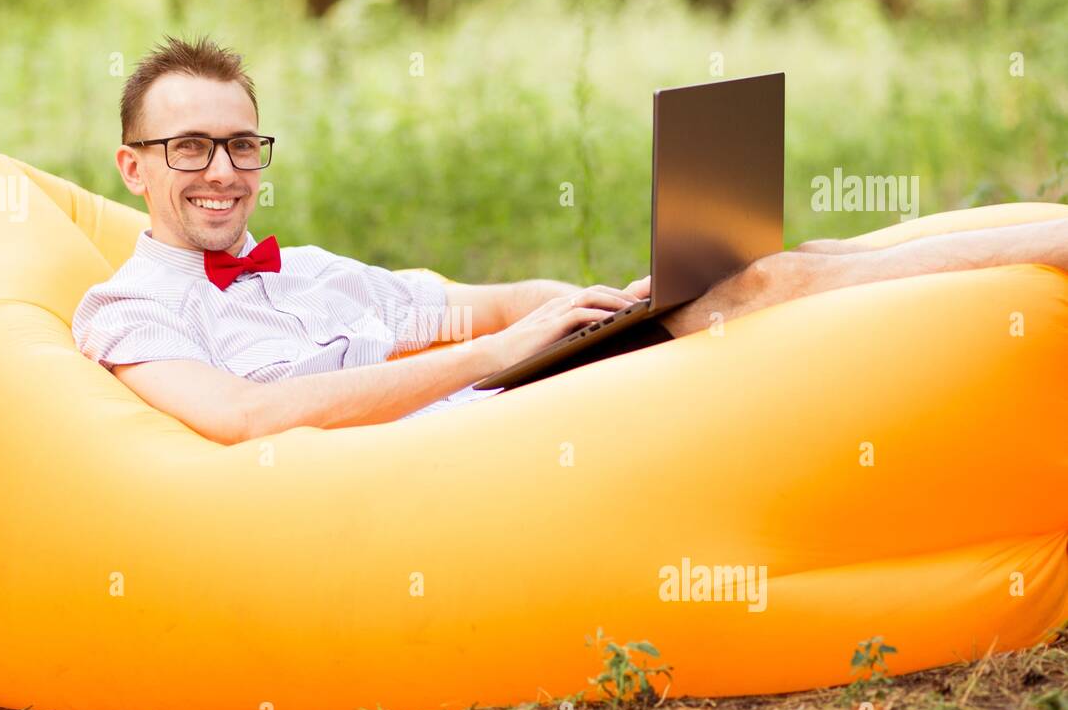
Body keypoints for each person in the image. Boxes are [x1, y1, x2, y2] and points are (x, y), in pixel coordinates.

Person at [74, 36, 1068, 444]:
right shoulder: (131, 306)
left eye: (240, 143)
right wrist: (498, 353)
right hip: (478, 445)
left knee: (751, 270)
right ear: (133, 165)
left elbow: (485, 303)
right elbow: (245, 418)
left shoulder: (314, 272)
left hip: (516, 392)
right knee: (753, 288)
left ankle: (1042, 237)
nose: (222, 169)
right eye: (190, 146)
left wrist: (600, 300)